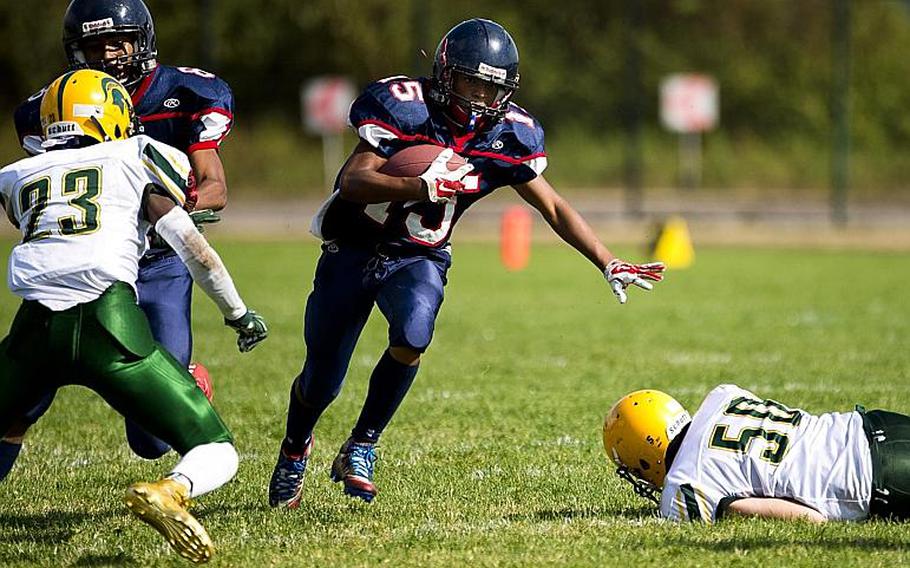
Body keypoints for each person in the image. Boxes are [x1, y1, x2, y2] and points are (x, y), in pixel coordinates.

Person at [267, 18, 666, 508]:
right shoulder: (405, 108)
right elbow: (352, 181)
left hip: (419, 256)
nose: (480, 98)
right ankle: (294, 449)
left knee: (413, 335)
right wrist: (420, 184)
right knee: (322, 379)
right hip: (352, 249)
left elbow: (554, 206)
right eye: (471, 82)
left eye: (491, 88)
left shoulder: (508, 135)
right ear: (444, 73)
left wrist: (607, 260)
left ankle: (362, 444)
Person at [0, 69, 266, 562]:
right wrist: (237, 313)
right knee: (217, 449)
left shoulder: (16, 174)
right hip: (111, 325)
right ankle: (172, 489)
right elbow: (192, 248)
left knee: (9, 422)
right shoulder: (135, 153)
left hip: (32, 331)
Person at [0, 0, 235, 480]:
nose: (108, 56)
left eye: (117, 42)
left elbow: (215, 187)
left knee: (150, 441)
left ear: (142, 41)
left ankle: (185, 381)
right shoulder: (54, 104)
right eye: (94, 46)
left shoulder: (186, 92)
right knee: (19, 409)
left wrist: (163, 213)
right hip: (87, 266)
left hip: (160, 262)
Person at [603, 385, 910, 522]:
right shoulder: (722, 396)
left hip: (879, 479)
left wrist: (731, 510)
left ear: (644, 457)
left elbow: (810, 518)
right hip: (873, 423)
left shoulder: (683, 489)